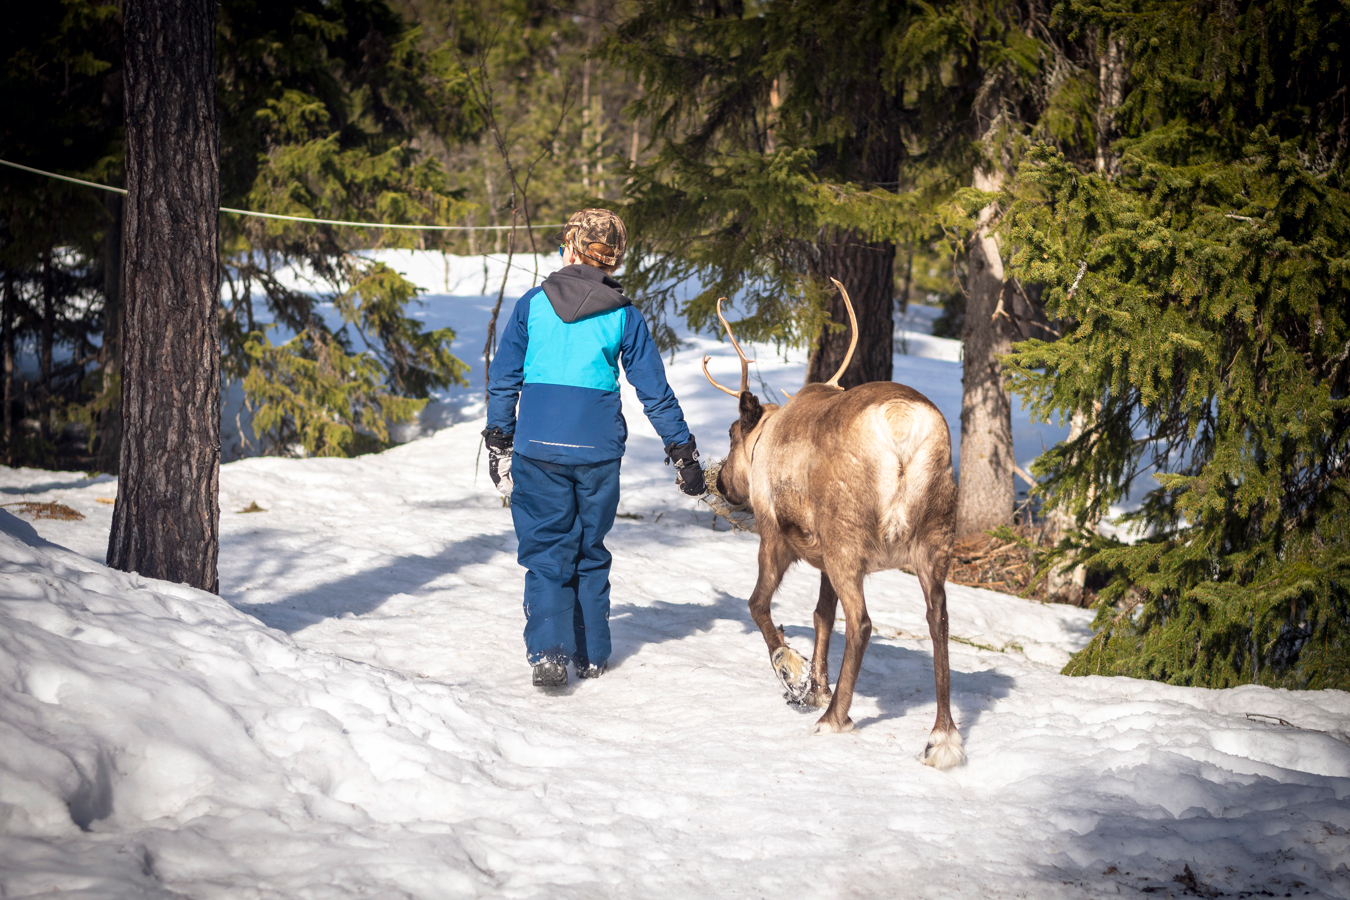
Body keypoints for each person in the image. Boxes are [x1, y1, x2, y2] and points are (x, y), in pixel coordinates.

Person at [482, 209, 705, 688]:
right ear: (613, 261)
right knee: (589, 548)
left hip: (537, 448)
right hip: (597, 454)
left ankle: (548, 652)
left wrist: (499, 439)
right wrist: (682, 450)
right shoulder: (624, 315)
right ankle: (591, 655)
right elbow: (654, 390)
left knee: (546, 551)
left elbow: (504, 381)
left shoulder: (531, 305)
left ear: (570, 247)